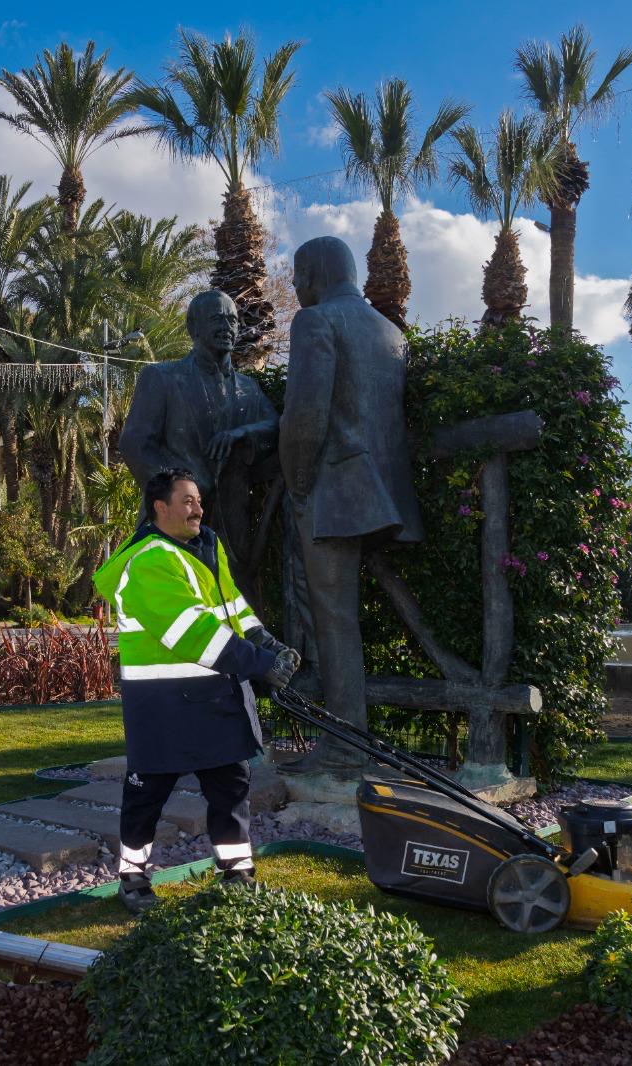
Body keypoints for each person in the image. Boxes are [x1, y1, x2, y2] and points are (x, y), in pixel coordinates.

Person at [91, 468, 300, 914]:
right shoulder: (148, 561)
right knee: (146, 796)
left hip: (213, 698)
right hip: (163, 707)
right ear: (159, 508)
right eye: (186, 501)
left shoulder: (205, 547)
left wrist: (264, 641)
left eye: (199, 500)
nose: (197, 508)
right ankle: (132, 880)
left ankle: (238, 874)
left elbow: (231, 605)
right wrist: (260, 664)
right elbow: (192, 632)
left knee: (231, 787)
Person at [279, 235, 424, 774]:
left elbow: (306, 417)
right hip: (387, 495)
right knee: (347, 618)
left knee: (334, 618)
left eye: (296, 275)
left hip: (334, 493)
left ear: (316, 270)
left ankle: (345, 745)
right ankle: (351, 737)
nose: (294, 287)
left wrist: (297, 485)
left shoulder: (316, 322)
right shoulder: (391, 332)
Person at [119, 289, 279, 598]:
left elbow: (274, 427)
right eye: (217, 318)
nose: (227, 326)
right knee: (176, 617)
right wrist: (181, 491)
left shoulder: (248, 389)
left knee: (236, 619)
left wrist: (241, 434)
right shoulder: (162, 378)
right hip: (173, 527)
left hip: (232, 530)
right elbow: (136, 444)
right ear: (193, 328)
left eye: (232, 320)